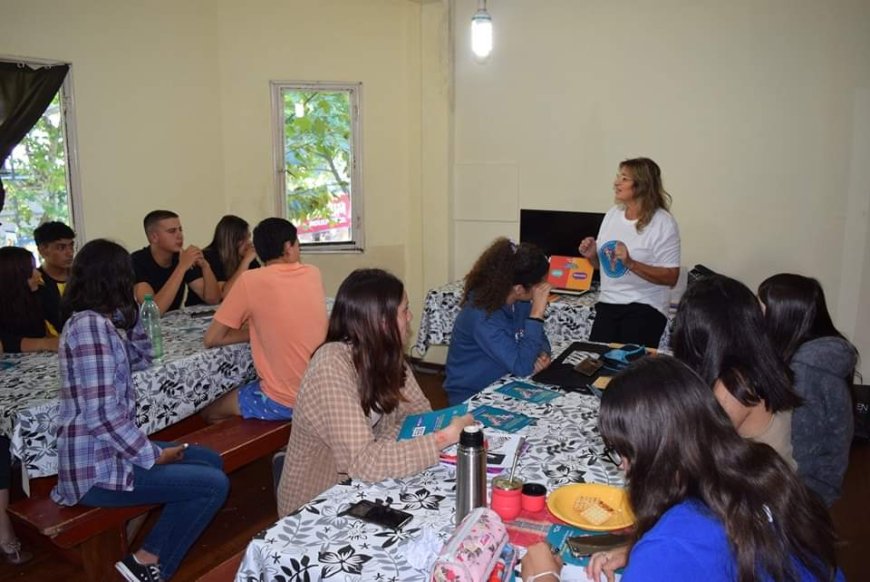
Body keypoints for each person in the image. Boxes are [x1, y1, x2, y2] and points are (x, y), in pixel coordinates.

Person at [521, 356, 842, 582]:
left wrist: (545, 577)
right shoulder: (761, 466)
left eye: (625, 452)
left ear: (654, 453)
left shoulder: (672, 546)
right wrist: (637, 550)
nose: (622, 465)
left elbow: (687, 547)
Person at [51, 239, 229, 582]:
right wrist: (151, 455)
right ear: (114, 278)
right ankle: (148, 563)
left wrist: (132, 316)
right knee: (213, 484)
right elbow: (100, 414)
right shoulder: (89, 328)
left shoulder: (104, 323)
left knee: (210, 460)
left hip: (113, 454)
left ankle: (143, 537)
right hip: (96, 469)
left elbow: (143, 358)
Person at [276, 269, 474, 515]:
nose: (410, 317)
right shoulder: (331, 365)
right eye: (404, 311)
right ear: (381, 321)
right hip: (318, 505)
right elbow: (364, 462)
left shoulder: (386, 355)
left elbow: (420, 414)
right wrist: (445, 437)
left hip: (363, 488)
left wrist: (384, 445)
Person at [201, 218, 327, 422]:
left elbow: (211, 338)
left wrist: (253, 333)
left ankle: (261, 449)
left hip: (285, 400)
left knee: (207, 412)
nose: (299, 251)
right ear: (288, 247)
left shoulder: (251, 281)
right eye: (298, 245)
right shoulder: (313, 273)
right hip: (321, 393)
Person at [671, 274, 801, 466]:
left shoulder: (734, 386)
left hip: (757, 491)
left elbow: (694, 458)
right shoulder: (760, 361)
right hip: (773, 483)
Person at [759, 274, 859, 506]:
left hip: (802, 493)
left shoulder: (806, 373)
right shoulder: (814, 357)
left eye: (761, 307)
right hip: (806, 484)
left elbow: (801, 452)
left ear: (782, 317)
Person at [578, 158, 680, 348]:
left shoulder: (663, 222)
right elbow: (604, 266)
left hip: (645, 306)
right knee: (594, 363)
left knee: (627, 369)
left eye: (624, 178)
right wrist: (593, 255)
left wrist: (631, 263)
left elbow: (671, 277)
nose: (616, 183)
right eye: (618, 177)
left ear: (641, 185)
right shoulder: (612, 215)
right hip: (608, 303)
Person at [444, 238, 552, 405]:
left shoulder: (519, 302)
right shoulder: (482, 316)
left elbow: (540, 338)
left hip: (506, 382)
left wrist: (542, 355)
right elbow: (522, 366)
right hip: (473, 397)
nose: (545, 286)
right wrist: (537, 312)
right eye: (541, 282)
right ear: (519, 289)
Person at [131, 210, 220, 314]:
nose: (179, 236)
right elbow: (154, 311)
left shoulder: (181, 257)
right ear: (154, 237)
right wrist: (181, 267)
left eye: (180, 230)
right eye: (172, 231)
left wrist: (205, 266)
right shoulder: (136, 262)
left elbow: (213, 299)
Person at [185, 214, 258, 306]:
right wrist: (245, 263)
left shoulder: (247, 257)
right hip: (200, 314)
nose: (248, 242)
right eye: (243, 239)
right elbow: (224, 295)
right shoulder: (209, 257)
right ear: (230, 240)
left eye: (248, 237)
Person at [0, 246, 58, 354]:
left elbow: (60, 320)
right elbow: (5, 342)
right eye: (31, 270)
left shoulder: (39, 293)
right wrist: (44, 343)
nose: (38, 274)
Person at [34, 220, 76, 333]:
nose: (70, 253)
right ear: (43, 250)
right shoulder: (35, 282)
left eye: (71, 246)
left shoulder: (80, 278)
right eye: (61, 248)